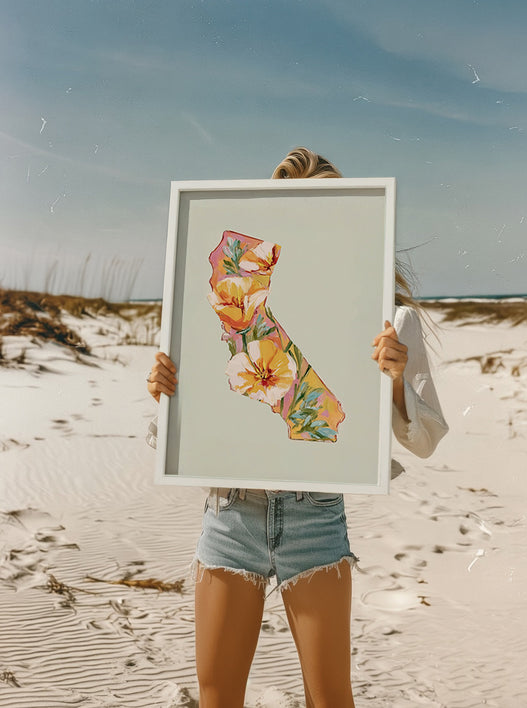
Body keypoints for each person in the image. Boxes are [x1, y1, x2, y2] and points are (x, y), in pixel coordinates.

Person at [146, 147, 449, 708]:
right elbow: (179, 435)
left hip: (316, 513)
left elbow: (424, 439)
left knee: (331, 698)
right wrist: (165, 392)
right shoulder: (220, 299)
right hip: (231, 510)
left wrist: (394, 380)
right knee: (216, 695)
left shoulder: (386, 316)